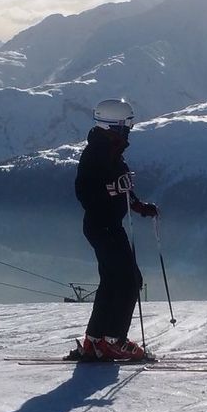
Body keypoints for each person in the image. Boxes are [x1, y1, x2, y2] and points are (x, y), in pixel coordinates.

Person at [74, 99, 158, 361]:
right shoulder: (98, 153)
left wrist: (136, 205)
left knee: (113, 280)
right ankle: (113, 339)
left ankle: (95, 340)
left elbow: (119, 186)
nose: (129, 131)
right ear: (117, 126)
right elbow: (85, 191)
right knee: (129, 280)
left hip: (105, 225)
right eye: (127, 126)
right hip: (104, 225)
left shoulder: (108, 149)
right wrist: (114, 191)